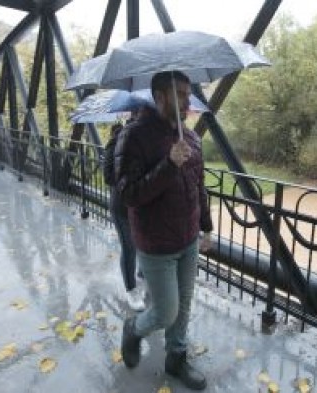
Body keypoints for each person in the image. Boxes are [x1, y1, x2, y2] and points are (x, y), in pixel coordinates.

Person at [114, 71, 213, 391]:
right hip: (156, 243)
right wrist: (169, 164)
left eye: (188, 93)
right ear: (160, 97)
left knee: (183, 307)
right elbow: (129, 194)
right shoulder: (135, 136)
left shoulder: (192, 137)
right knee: (165, 312)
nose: (187, 101)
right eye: (180, 94)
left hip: (187, 239)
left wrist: (206, 227)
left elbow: (199, 186)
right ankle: (133, 329)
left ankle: (176, 359)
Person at [103, 121, 145, 311]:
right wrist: (129, 171)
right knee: (129, 247)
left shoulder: (148, 141)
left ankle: (143, 276)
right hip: (122, 205)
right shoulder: (115, 143)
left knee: (144, 243)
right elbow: (108, 177)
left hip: (142, 204)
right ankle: (131, 289)